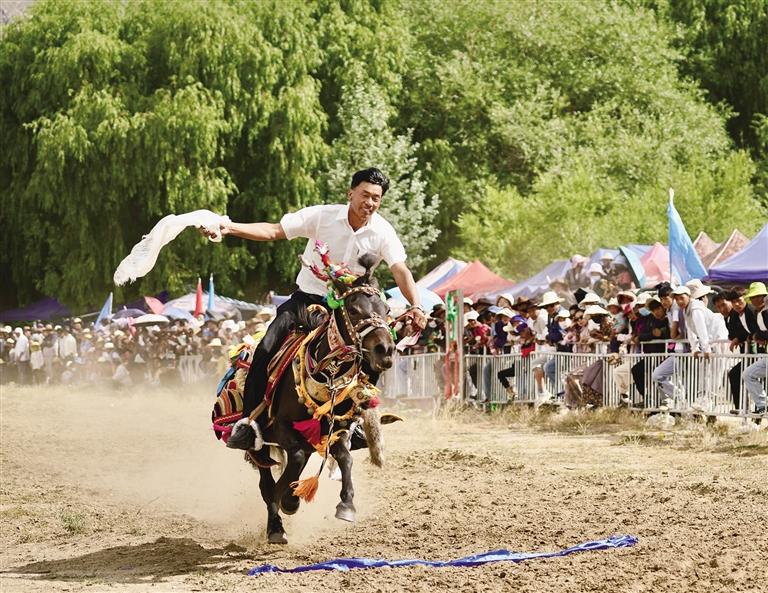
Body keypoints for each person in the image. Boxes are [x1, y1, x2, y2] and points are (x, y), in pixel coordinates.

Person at [201, 168, 426, 450]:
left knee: (374, 353)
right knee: (267, 347)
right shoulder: (322, 216)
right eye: (365, 195)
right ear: (350, 193)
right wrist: (229, 227)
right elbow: (274, 231)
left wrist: (416, 306)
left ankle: (356, 423)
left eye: (376, 198)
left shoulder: (383, 232)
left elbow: (400, 269)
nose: (369, 202)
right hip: (306, 301)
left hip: (348, 311)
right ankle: (249, 424)